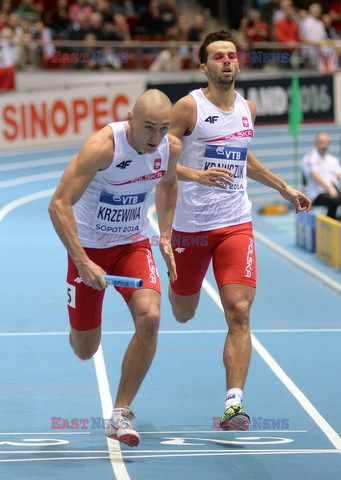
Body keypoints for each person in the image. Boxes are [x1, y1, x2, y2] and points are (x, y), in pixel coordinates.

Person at [168, 30, 311, 431]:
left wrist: (284, 187)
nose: (227, 61)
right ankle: (177, 285)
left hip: (235, 224)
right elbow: (155, 157)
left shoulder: (247, 108)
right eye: (218, 57)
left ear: (239, 63)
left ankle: (234, 406)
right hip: (191, 229)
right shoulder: (187, 108)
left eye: (232, 55)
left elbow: (243, 157)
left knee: (240, 312)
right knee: (183, 312)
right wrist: (195, 174)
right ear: (204, 66)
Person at [48, 89, 181, 447]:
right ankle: (77, 328)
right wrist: (82, 261)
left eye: (164, 128)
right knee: (84, 349)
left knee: (151, 318)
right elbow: (58, 204)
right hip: (88, 250)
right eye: (149, 128)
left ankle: (120, 412)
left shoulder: (170, 148)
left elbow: (168, 185)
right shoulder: (103, 146)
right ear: (130, 118)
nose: (156, 138)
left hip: (132, 245)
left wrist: (165, 236)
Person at [302, 132, 341, 219]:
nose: (324, 145)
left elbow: (339, 174)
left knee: (336, 198)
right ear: (316, 142)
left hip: (333, 191)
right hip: (317, 194)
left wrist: (332, 189)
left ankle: (335, 219)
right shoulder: (309, 157)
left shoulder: (332, 159)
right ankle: (332, 220)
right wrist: (329, 188)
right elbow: (314, 174)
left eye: (327, 143)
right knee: (334, 200)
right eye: (322, 142)